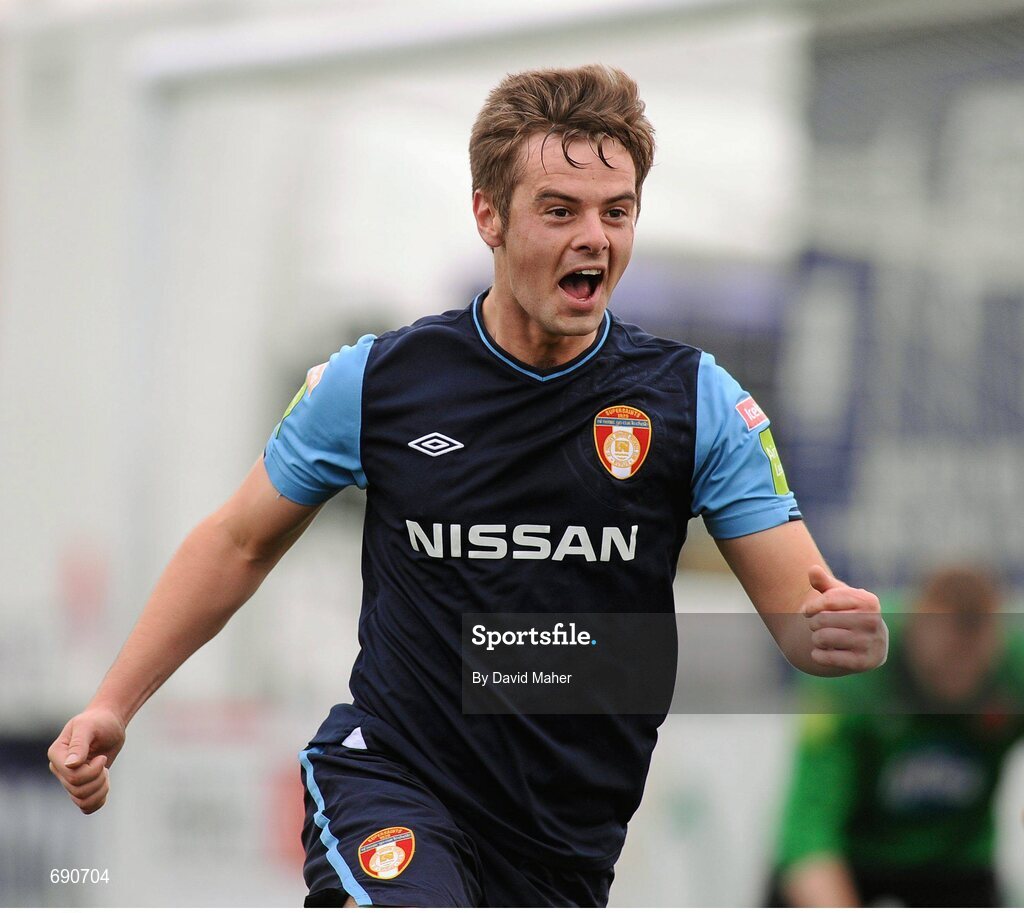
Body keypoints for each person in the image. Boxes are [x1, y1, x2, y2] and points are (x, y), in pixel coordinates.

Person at [47, 65, 888, 907]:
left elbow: (805, 623)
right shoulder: (377, 382)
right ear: (488, 213)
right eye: (559, 210)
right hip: (392, 781)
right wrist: (115, 704)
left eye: (617, 211)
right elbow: (239, 539)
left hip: (565, 845)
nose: (594, 237)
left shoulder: (696, 401)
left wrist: (850, 632)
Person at [769, 565, 1024, 908]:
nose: (958, 677)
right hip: (849, 852)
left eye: (972, 665)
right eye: (946, 662)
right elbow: (808, 833)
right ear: (915, 630)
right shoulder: (850, 667)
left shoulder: (1014, 666)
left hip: (956, 861)